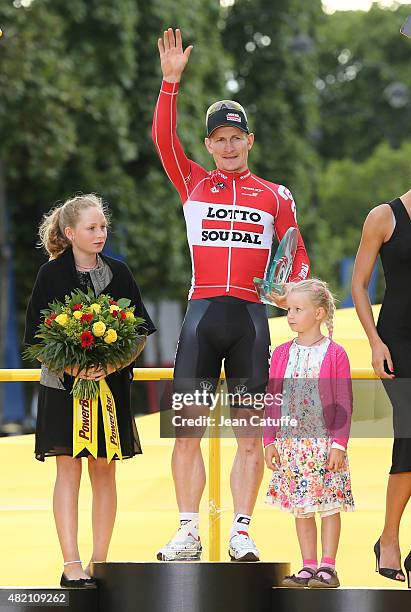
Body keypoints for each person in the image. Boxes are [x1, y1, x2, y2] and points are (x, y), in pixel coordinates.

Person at [153, 28, 310, 562]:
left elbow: (296, 261)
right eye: (218, 138)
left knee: (249, 438)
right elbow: (162, 141)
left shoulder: (276, 195)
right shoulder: (193, 181)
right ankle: (187, 531)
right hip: (201, 316)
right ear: (208, 145)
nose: (227, 145)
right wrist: (170, 84)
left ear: (249, 140)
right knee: (188, 436)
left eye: (235, 137)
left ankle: (242, 530)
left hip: (249, 317)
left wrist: (294, 299)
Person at [24, 194, 156, 587]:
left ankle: (101, 561)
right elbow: (34, 335)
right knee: (68, 469)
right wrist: (74, 365)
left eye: (103, 227)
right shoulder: (50, 275)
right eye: (92, 228)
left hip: (110, 389)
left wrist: (112, 365)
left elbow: (141, 331)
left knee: (104, 469)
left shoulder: (120, 271)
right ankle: (71, 564)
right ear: (70, 233)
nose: (101, 234)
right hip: (62, 387)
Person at [264, 279, 354, 588]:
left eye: (297, 310)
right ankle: (308, 566)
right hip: (291, 445)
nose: (290, 315)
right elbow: (273, 398)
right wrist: (270, 440)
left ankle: (328, 567)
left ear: (318, 314)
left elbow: (343, 401)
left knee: (328, 504)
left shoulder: (335, 354)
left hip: (326, 444)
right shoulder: (281, 354)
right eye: (289, 309)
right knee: (301, 507)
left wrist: (339, 444)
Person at [352, 189, 411, 587]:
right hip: (398, 341)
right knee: (409, 432)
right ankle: (389, 537)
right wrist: (374, 342)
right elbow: (359, 284)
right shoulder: (383, 217)